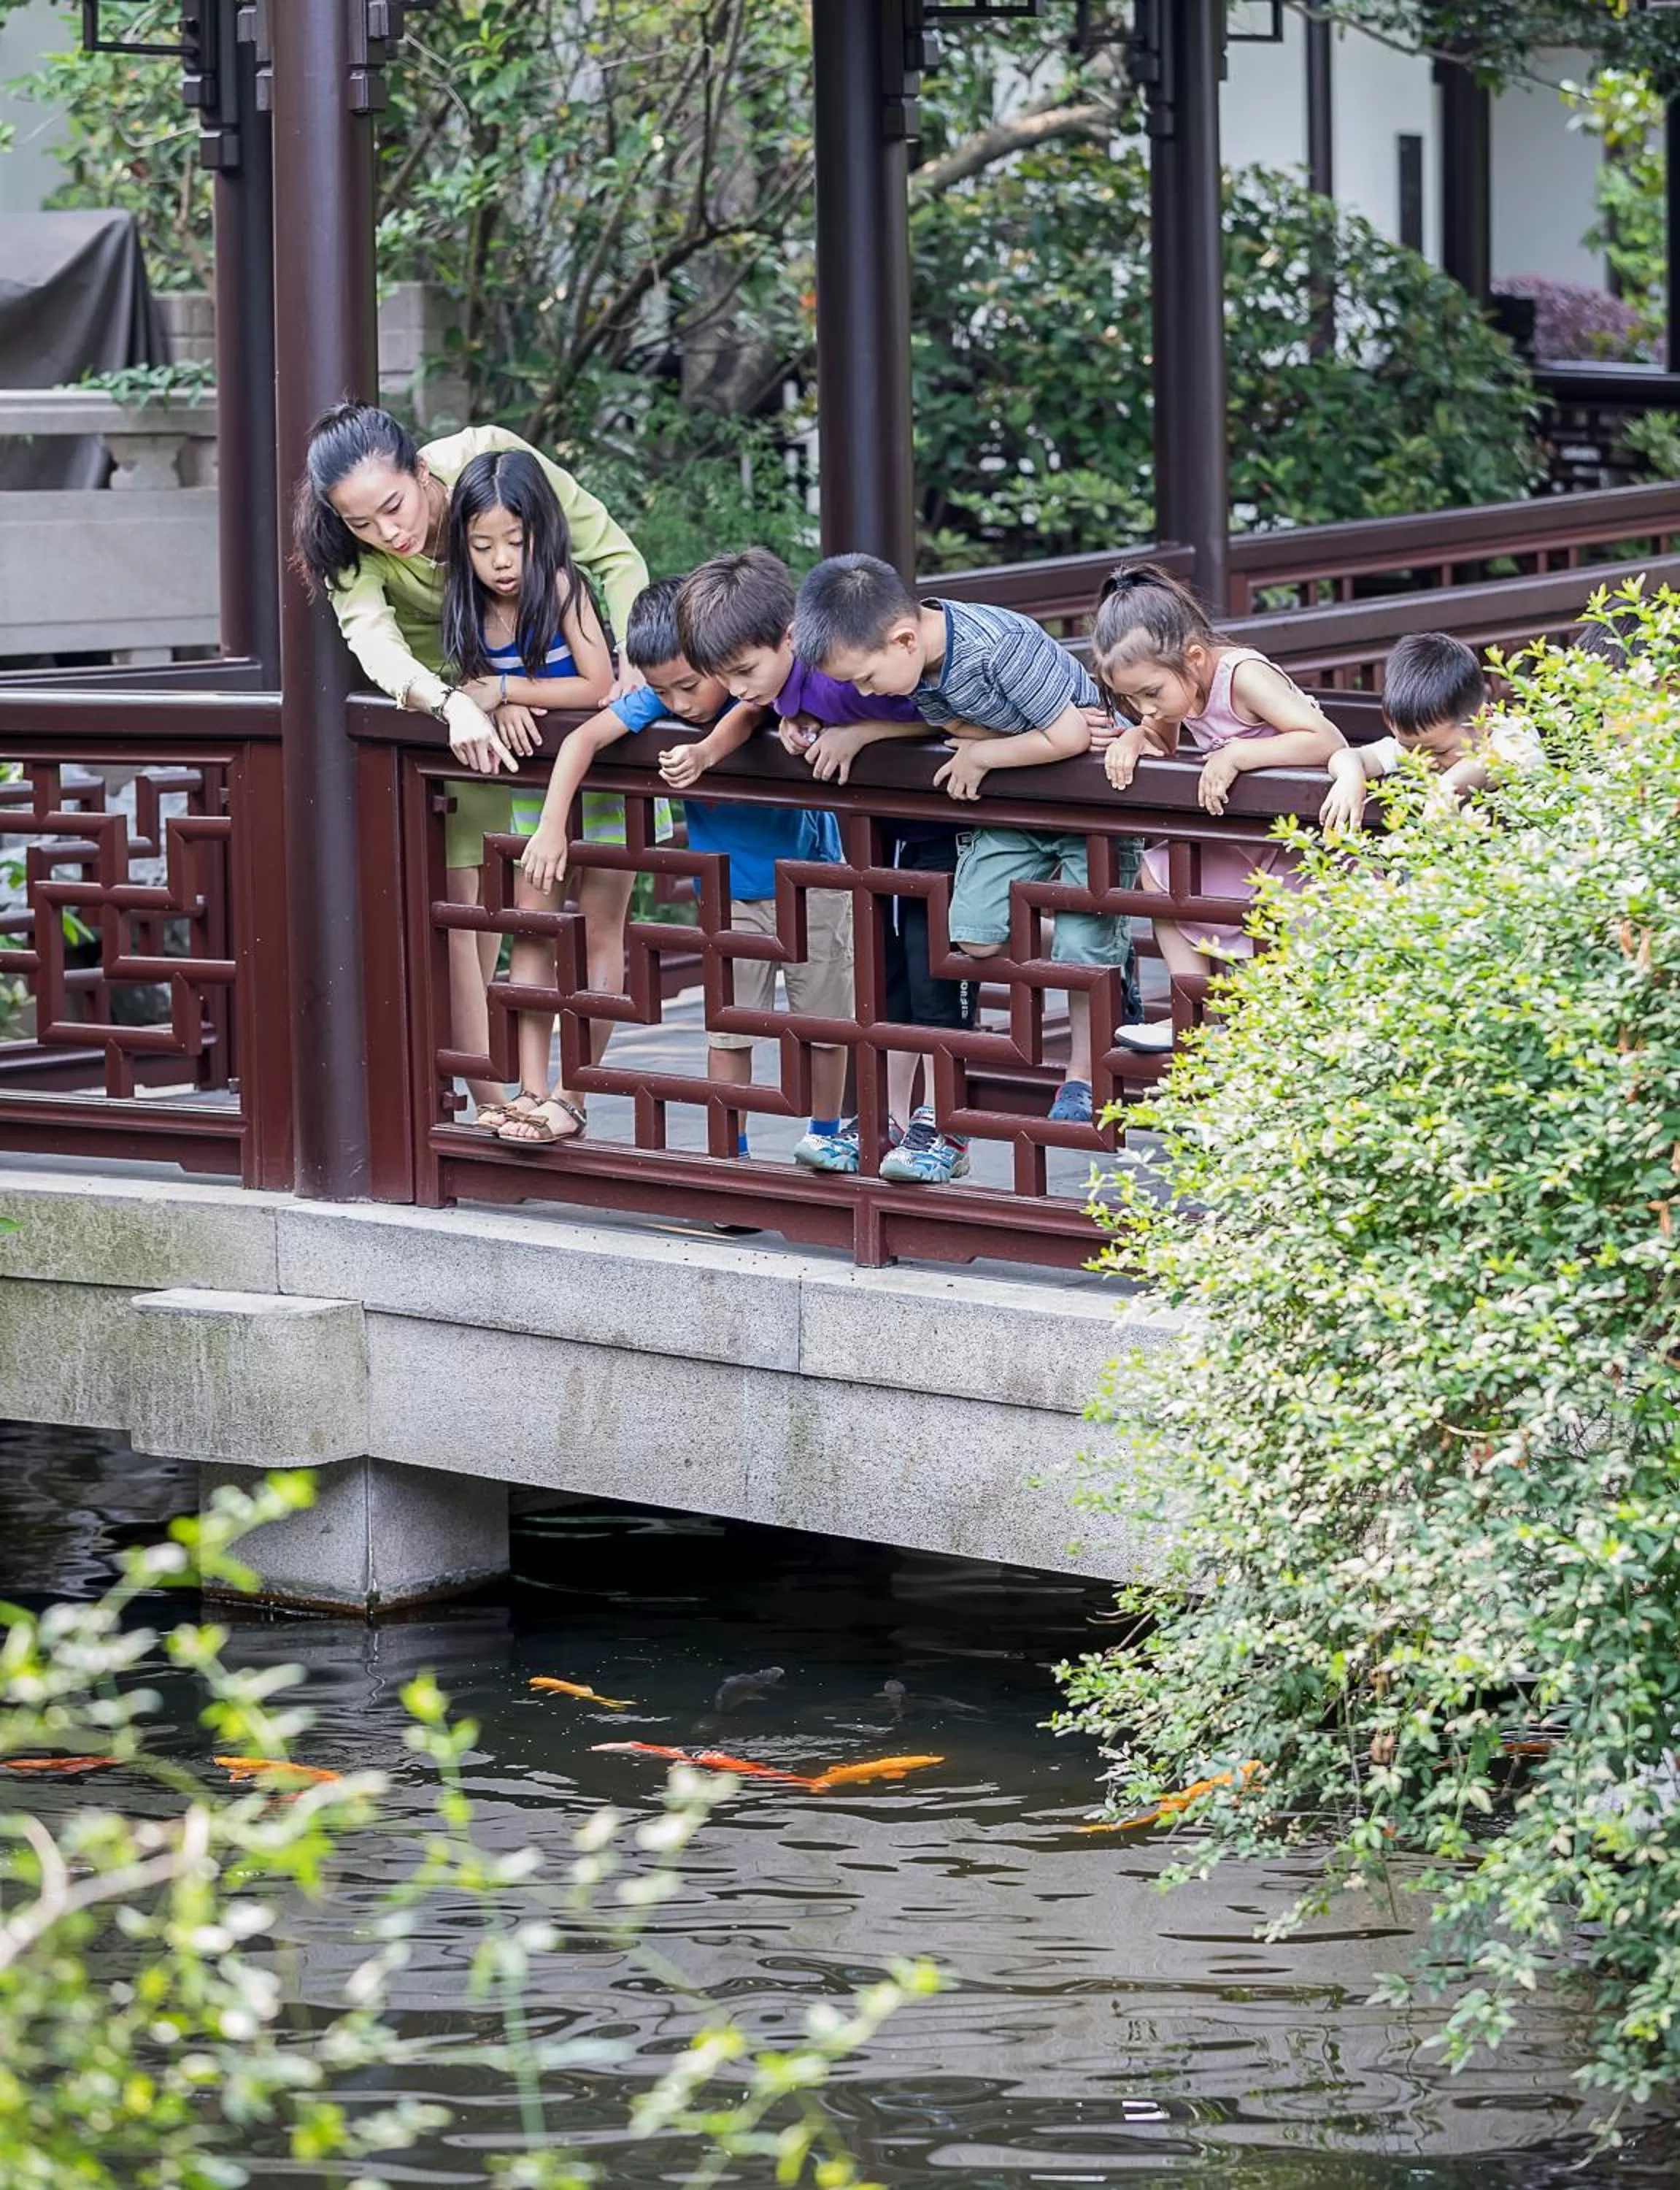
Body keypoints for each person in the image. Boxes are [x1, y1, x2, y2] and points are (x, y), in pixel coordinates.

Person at [291, 402, 647, 1131]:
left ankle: (568, 1100)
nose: (389, 533)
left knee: (589, 919)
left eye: (394, 506)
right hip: (465, 725)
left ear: (421, 470)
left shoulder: (490, 464)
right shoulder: (347, 547)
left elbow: (609, 553)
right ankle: (498, 1102)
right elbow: (375, 641)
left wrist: (635, 660)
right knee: (474, 920)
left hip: (558, 712)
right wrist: (454, 701)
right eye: (364, 524)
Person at [520, 577, 858, 1175]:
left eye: (688, 684)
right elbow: (583, 738)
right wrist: (552, 826)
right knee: (729, 1030)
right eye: (661, 690)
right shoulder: (667, 694)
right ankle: (730, 1149)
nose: (678, 703)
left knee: (824, 1024)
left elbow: (750, 714)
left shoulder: (760, 688)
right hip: (727, 890)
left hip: (814, 878)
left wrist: (706, 751)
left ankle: (827, 1132)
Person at [790, 552, 1138, 1127]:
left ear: (903, 639)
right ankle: (1101, 943)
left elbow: (1071, 735)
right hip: (1018, 807)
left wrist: (985, 753)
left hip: (1088, 807)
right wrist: (863, 733)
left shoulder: (994, 646)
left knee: (1081, 955)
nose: (868, 691)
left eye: (866, 679)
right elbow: (950, 726)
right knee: (972, 937)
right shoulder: (920, 662)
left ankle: (1082, 1077)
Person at [666, 548, 976, 1183]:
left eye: (746, 669)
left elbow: (938, 715)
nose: (738, 689)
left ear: (790, 638)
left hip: (946, 836)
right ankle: (888, 1121)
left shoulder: (845, 664)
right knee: (889, 979)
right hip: (879, 844)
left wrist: (858, 734)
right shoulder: (782, 684)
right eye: (724, 677)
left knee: (936, 976)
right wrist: (715, 747)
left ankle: (942, 1125)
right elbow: (756, 708)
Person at [1091, 561, 1347, 1055]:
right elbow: (1161, 742)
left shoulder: (1243, 674)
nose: (1145, 706)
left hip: (1294, 845)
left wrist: (1240, 754)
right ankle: (1193, 1013)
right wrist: (1136, 739)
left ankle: (1270, 1031)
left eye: (1150, 694)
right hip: (1244, 839)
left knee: (1277, 978)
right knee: (1160, 869)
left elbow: (1325, 738)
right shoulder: (1178, 690)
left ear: (1194, 657)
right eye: (1129, 698)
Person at [438, 449, 617, 1144]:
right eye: (484, 545)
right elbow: (476, 686)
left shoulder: (564, 588)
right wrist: (497, 701)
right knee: (531, 934)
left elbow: (597, 685)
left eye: (517, 541)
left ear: (544, 530)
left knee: (600, 934)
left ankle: (575, 1093)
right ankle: (532, 1089)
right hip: (532, 796)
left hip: (599, 786)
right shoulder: (470, 605)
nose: (503, 560)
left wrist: (512, 692)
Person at [1319, 631, 1539, 831]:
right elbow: (1348, 756)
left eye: (1441, 752)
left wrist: (1447, 786)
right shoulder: (1419, 747)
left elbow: (1493, 763)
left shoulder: (1513, 735)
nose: (1424, 762)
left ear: (1484, 720)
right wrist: (1350, 777)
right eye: (1409, 749)